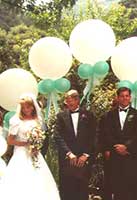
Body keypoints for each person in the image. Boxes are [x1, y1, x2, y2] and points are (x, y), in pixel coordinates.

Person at [0, 93, 60, 200]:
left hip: (35, 154)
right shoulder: (16, 121)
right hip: (21, 153)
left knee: (38, 178)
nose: (25, 109)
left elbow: (40, 136)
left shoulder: (37, 120)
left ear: (33, 106)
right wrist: (26, 144)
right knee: (22, 178)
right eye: (23, 107)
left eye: (28, 107)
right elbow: (10, 140)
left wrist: (36, 144)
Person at [54, 89, 97, 200]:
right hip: (67, 159)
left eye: (70, 100)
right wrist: (68, 153)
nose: (68, 103)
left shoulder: (88, 115)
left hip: (83, 160)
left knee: (82, 189)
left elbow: (93, 136)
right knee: (66, 190)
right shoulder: (60, 116)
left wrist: (86, 155)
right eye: (67, 100)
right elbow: (57, 136)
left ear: (77, 100)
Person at [99, 87, 137, 200]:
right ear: (118, 97)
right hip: (114, 157)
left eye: (127, 96)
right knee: (115, 187)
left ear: (130, 97)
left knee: (131, 188)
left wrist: (127, 146)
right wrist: (115, 147)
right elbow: (105, 134)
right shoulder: (108, 115)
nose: (124, 98)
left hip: (131, 156)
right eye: (122, 96)